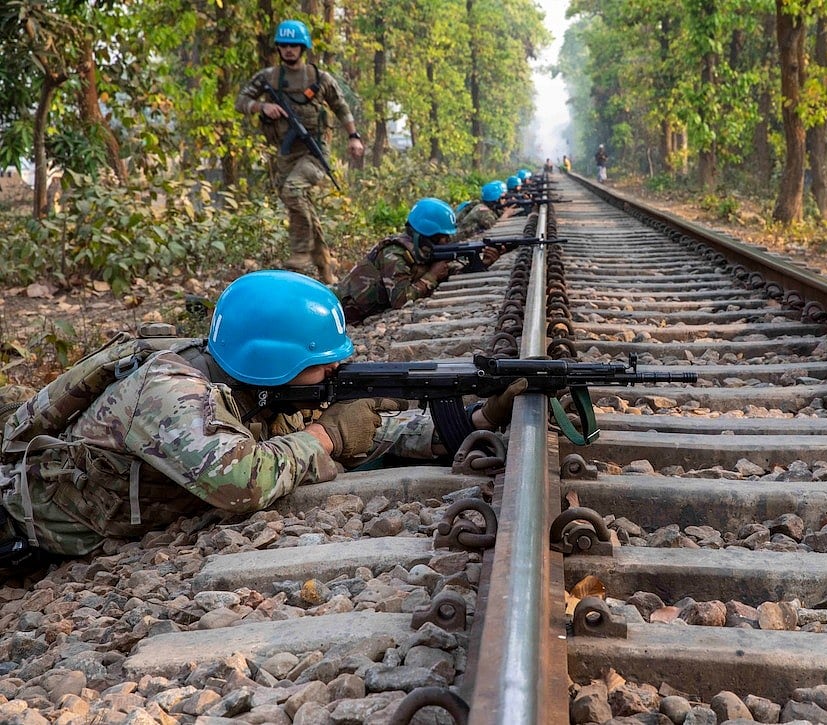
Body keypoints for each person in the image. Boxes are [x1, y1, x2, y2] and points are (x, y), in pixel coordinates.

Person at [0, 271, 524, 562]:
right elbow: (241, 480)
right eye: (324, 362)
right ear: (275, 364)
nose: (339, 366)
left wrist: (472, 422)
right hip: (22, 529)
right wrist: (325, 436)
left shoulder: (257, 389)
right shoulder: (170, 393)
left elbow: (370, 435)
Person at [235, 20, 365, 285]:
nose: (289, 50)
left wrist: (353, 137)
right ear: (278, 48)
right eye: (284, 45)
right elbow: (241, 101)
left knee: (294, 191)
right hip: (286, 153)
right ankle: (325, 263)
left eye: (294, 45)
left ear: (303, 47)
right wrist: (262, 108)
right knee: (298, 204)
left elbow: (341, 107)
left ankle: (300, 253)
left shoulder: (319, 78)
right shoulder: (268, 77)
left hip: (315, 153)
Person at [335, 198, 459, 325]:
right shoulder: (394, 254)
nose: (446, 242)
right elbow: (401, 301)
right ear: (428, 236)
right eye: (442, 237)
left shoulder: (421, 251)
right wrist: (432, 276)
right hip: (336, 309)